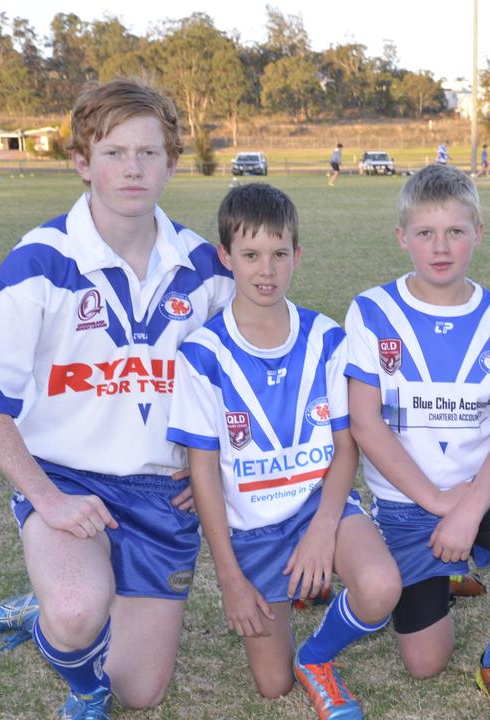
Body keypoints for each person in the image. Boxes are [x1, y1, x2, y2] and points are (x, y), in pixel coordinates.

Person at [0, 78, 236, 719]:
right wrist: (46, 498)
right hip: (68, 478)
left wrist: (216, 465)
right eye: (113, 153)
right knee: (78, 616)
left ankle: (49, 605)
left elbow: (246, 376)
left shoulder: (207, 268)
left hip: (165, 494)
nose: (133, 168)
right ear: (82, 162)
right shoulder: (39, 263)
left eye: (149, 153)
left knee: (142, 693)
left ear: (171, 162)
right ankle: (72, 656)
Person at [344, 164, 490, 720]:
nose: (440, 246)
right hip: (408, 503)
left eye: (455, 231)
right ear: (403, 237)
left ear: (479, 232)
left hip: (484, 489)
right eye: (425, 233)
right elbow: (365, 423)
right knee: (424, 663)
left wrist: (467, 509)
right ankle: (446, 575)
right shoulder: (373, 311)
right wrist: (437, 504)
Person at [168, 183, 400, 720]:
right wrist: (229, 579)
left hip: (323, 510)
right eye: (249, 255)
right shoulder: (202, 354)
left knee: (381, 587)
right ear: (225, 257)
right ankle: (290, 594)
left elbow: (347, 449)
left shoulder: (326, 338)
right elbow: (202, 471)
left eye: (278, 254)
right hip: (252, 532)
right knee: (272, 686)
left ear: (297, 255)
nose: (265, 270)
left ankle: (317, 656)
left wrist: (322, 531)